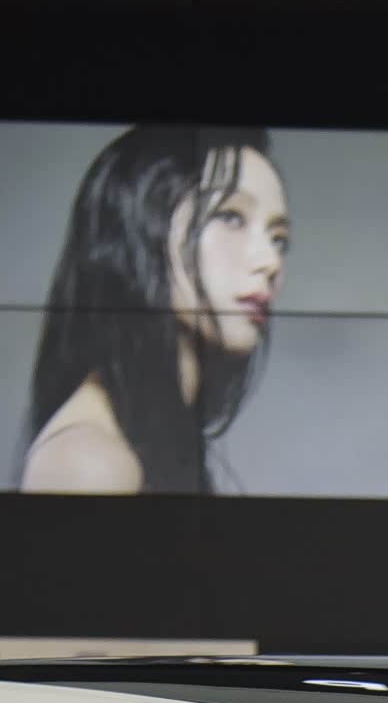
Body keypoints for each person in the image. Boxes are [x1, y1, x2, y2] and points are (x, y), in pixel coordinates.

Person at [18, 126, 288, 495]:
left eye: (279, 239)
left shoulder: (149, 439)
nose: (271, 261)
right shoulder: (89, 463)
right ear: (142, 226)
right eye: (231, 217)